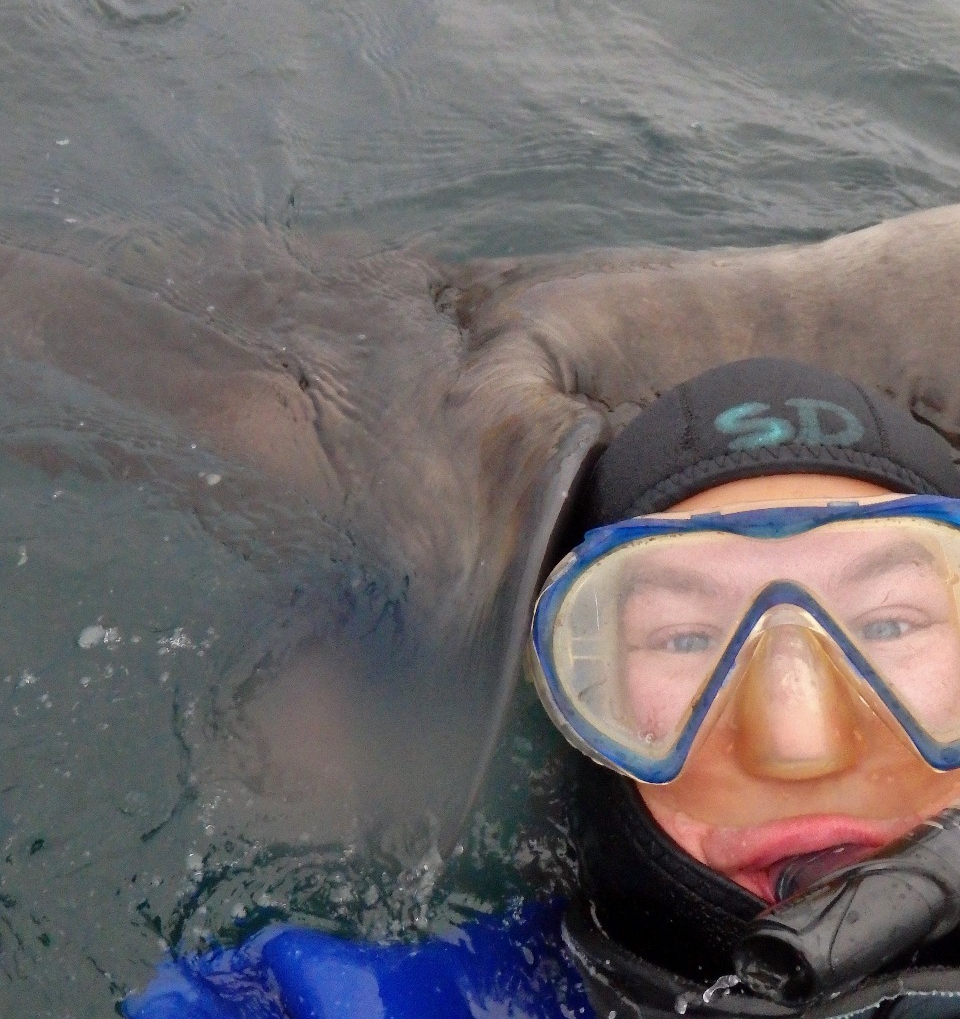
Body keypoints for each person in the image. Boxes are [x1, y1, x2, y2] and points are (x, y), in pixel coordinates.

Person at [125, 357, 960, 1019]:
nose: (799, 742)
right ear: (577, 709)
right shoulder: (328, 1001)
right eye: (686, 639)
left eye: (890, 624)